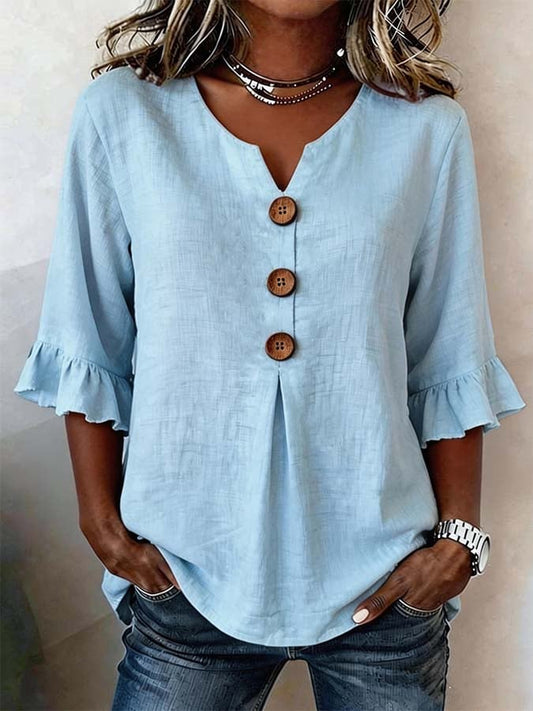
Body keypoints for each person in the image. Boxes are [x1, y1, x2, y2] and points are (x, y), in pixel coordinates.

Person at [13, 1, 527, 709]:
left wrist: (457, 545)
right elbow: (87, 331)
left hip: (387, 585)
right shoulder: (125, 115)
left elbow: (447, 348)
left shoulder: (425, 129)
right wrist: (102, 526)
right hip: (183, 581)